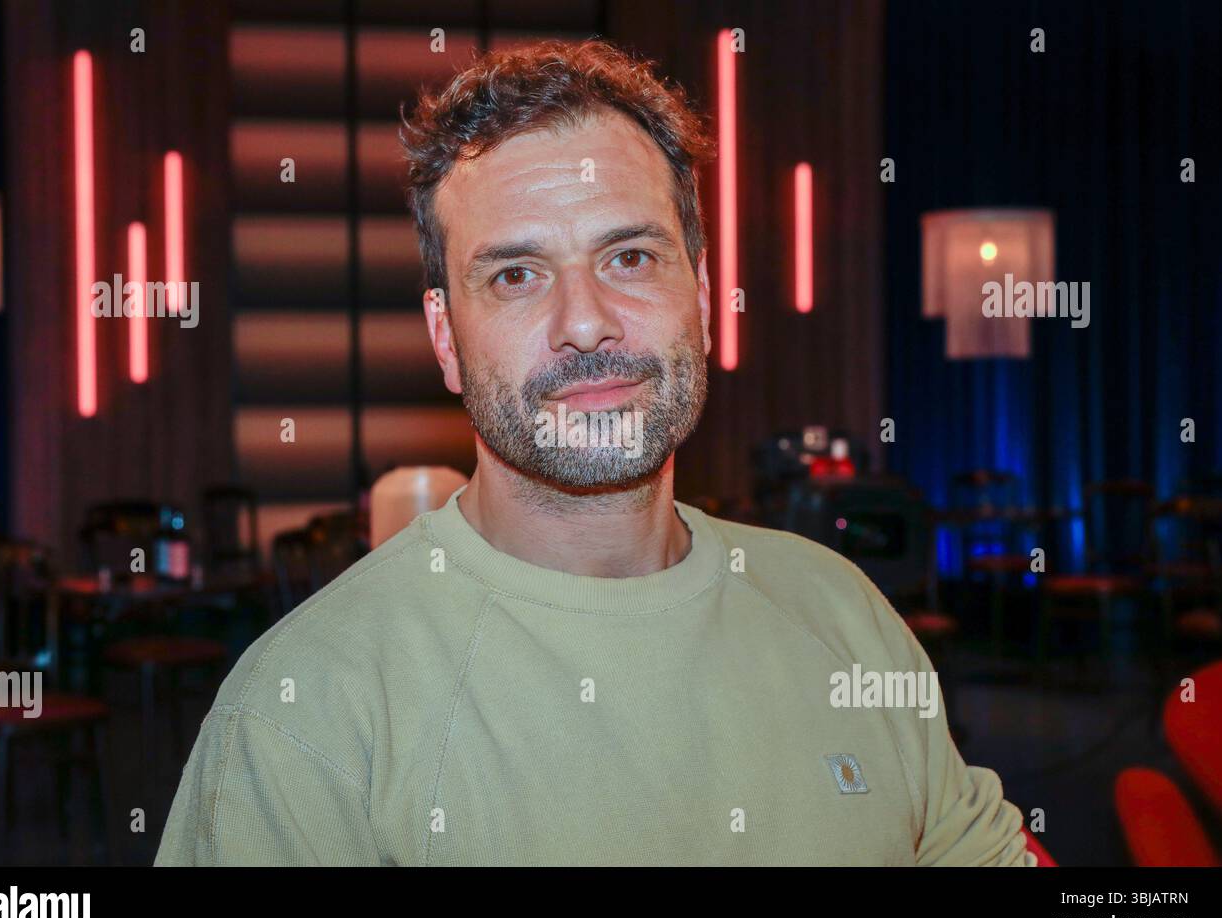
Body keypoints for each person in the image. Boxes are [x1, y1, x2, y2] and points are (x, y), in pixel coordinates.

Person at [156, 38, 1033, 866]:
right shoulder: (302, 710)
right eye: (515, 275)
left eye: (630, 257)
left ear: (701, 292)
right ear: (445, 339)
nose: (585, 322)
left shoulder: (845, 611)